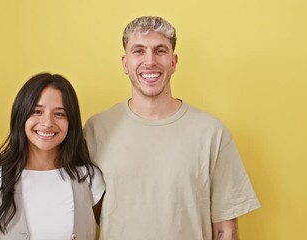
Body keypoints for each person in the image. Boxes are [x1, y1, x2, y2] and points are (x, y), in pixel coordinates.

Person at [84, 16, 260, 240]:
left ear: (174, 62)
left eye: (160, 51)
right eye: (138, 51)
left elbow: (225, 227)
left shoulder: (211, 132)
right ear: (125, 63)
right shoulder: (95, 130)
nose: (150, 61)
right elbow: (88, 214)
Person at [0, 73, 105, 240]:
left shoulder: (89, 179)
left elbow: (119, 229)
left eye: (59, 114)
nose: (47, 123)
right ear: (21, 116)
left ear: (71, 122)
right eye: (37, 111)